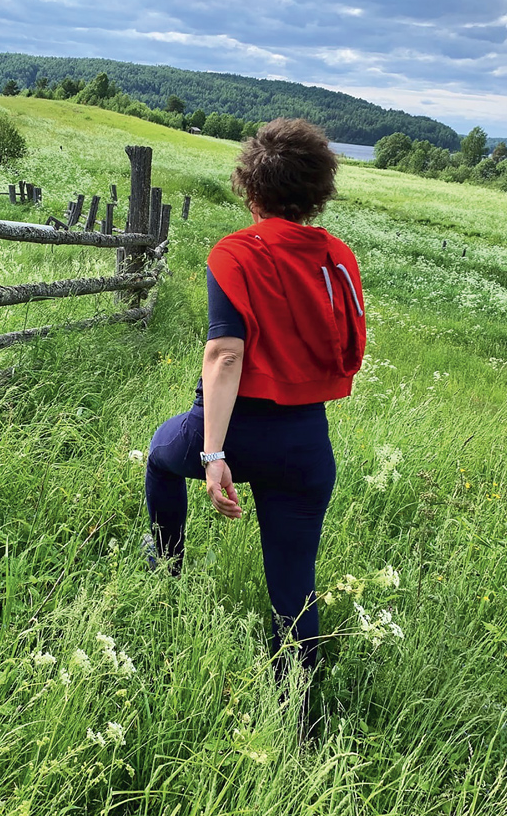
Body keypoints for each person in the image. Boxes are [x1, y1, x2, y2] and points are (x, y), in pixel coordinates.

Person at [144, 117, 366, 674]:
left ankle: (166, 570)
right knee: (294, 588)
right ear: (318, 191)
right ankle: (297, 721)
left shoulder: (236, 252)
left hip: (236, 429)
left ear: (251, 186)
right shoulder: (337, 257)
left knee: (160, 456)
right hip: (306, 442)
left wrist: (214, 454)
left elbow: (225, 354)